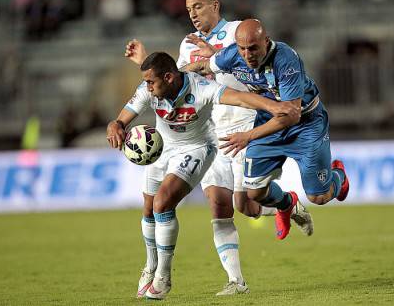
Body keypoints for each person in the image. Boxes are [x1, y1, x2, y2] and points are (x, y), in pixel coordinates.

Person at [124, 0, 313, 297]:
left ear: (215, 5)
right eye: (188, 8)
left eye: (198, 6)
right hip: (210, 133)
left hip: (245, 125)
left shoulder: (239, 32)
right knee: (219, 204)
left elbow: (254, 72)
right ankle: (236, 281)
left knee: (248, 205)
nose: (193, 13)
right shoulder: (187, 43)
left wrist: (217, 58)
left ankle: (287, 202)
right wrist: (145, 62)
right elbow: (177, 78)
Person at [106, 51, 299, 300]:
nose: (148, 87)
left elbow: (240, 98)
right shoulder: (148, 89)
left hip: (198, 148)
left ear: (169, 77)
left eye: (152, 82)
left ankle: (163, 278)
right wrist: (115, 125)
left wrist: (275, 107)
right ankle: (150, 266)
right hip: (162, 148)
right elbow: (121, 120)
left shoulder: (202, 88)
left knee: (163, 201)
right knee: (148, 208)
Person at [183, 19, 350, 240]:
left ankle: (338, 177)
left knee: (319, 197)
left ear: (266, 42)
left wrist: (248, 136)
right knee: (255, 192)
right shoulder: (233, 54)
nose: (247, 54)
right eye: (242, 48)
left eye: (252, 48)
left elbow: (290, 115)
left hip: (305, 124)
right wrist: (173, 77)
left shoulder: (286, 60)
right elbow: (204, 66)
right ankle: (287, 204)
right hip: (267, 121)